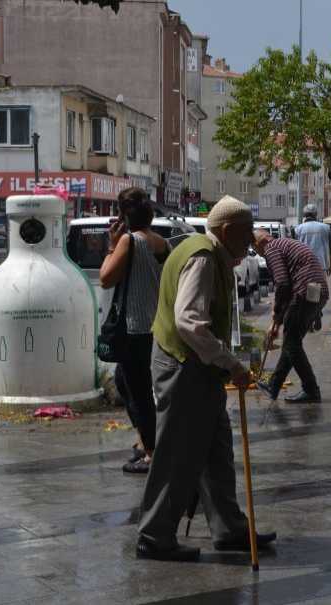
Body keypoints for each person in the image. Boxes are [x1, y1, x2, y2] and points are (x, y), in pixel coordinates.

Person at [137, 195, 276, 562]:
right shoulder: (201, 257)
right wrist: (230, 363)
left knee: (216, 451)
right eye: (246, 237)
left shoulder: (208, 252)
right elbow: (189, 321)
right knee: (177, 454)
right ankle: (154, 535)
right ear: (227, 231)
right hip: (183, 366)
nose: (250, 245)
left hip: (197, 366)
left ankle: (229, 528)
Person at [99, 188, 170, 474]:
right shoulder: (162, 243)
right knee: (126, 382)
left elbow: (105, 278)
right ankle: (145, 441)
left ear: (124, 216)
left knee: (139, 391)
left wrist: (111, 246)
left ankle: (153, 453)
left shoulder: (129, 241)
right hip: (156, 325)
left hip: (135, 327)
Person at [253, 229, 328, 403]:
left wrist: (277, 314)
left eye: (254, 248)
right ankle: (274, 385)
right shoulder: (284, 244)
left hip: (304, 292)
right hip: (317, 292)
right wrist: (278, 321)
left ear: (260, 243)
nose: (258, 253)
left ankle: (311, 389)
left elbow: (283, 283)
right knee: (291, 342)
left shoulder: (271, 248)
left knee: (292, 344)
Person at [295, 204, 331, 276]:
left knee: (305, 287)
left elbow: (294, 251)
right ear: (316, 214)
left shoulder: (298, 229)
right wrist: (330, 266)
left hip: (304, 267)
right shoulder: (326, 228)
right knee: (322, 286)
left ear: (304, 215)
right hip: (321, 266)